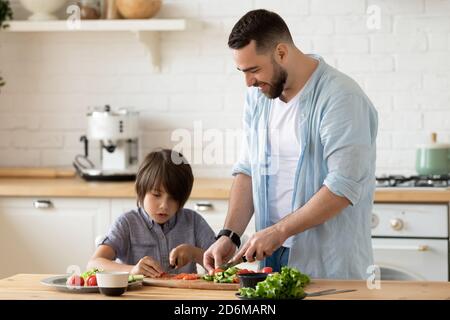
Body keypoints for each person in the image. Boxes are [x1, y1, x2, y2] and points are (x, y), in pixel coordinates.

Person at [203, 9, 378, 279]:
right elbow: (249, 170)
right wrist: (230, 235)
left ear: (281, 53)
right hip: (270, 254)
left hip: (326, 262)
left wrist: (278, 231)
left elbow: (343, 187)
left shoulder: (340, 97)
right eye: (242, 71)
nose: (248, 82)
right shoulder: (259, 97)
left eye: (254, 70)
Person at [87, 149, 216, 277]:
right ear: (141, 190)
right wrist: (132, 270)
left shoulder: (193, 222)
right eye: (156, 194)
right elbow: (93, 264)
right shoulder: (127, 224)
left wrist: (194, 254)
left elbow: (222, 265)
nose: (164, 205)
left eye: (173, 198)